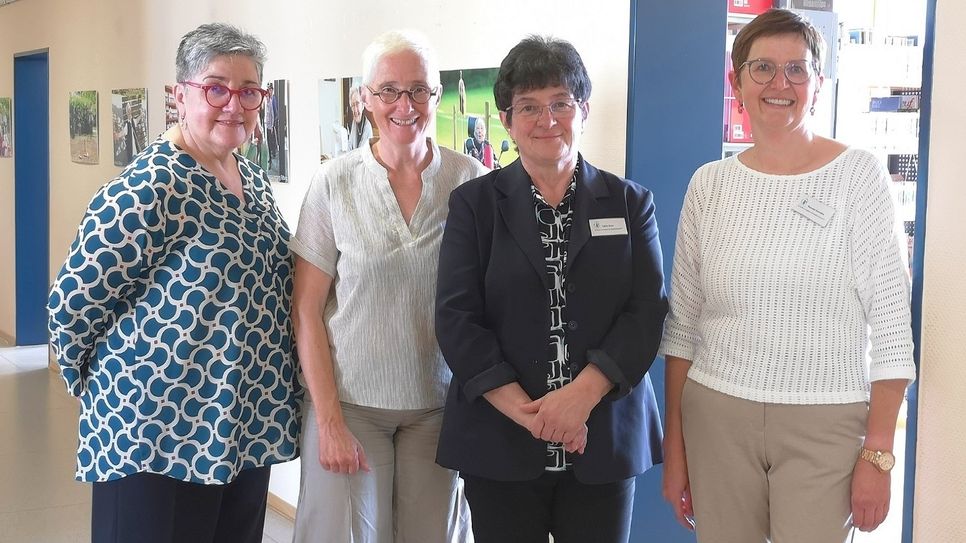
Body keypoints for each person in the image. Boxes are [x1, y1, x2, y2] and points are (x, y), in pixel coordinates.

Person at [660, 9, 917, 542]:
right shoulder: (709, 186)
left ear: (818, 84)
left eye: (797, 70)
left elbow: (892, 326)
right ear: (736, 82)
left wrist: (879, 452)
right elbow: (683, 329)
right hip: (717, 417)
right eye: (763, 68)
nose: (781, 84)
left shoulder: (858, 177)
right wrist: (675, 450)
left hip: (826, 423)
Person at [46, 23, 301, 543]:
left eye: (249, 90)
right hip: (154, 435)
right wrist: (107, 393)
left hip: (239, 431)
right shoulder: (149, 186)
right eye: (216, 88)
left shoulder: (249, 178)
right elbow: (71, 307)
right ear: (179, 95)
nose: (234, 104)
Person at [435, 36, 667, 543]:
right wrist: (530, 414)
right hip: (500, 438)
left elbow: (646, 312)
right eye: (529, 107)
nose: (547, 120)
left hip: (602, 436)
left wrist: (579, 399)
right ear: (506, 119)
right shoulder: (474, 206)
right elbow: (456, 318)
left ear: (583, 109)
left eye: (561, 103)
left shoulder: (630, 204)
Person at [290, 29, 487, 543]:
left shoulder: (470, 180)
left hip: (440, 408)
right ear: (364, 99)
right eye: (388, 91)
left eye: (419, 89)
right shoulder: (333, 182)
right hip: (351, 407)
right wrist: (328, 421)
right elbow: (306, 311)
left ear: (437, 95)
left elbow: (490, 301)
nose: (405, 104)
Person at [346, 85, 373, 151]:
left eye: (357, 104)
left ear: (363, 105)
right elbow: (349, 145)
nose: (355, 110)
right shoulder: (354, 123)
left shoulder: (367, 127)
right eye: (352, 105)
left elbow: (361, 154)